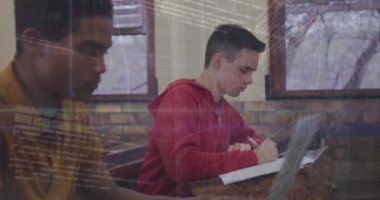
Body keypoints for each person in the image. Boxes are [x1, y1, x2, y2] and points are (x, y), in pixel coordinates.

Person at [0, 0, 200, 199]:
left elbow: (107, 194)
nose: (102, 67)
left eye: (104, 52)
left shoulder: (73, 110)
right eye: (89, 51)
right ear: (35, 43)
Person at [137, 24, 279, 197]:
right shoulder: (180, 98)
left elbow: (254, 141)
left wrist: (254, 149)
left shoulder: (225, 110)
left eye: (252, 73)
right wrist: (252, 158)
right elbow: (182, 166)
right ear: (218, 61)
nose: (249, 80)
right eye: (244, 70)